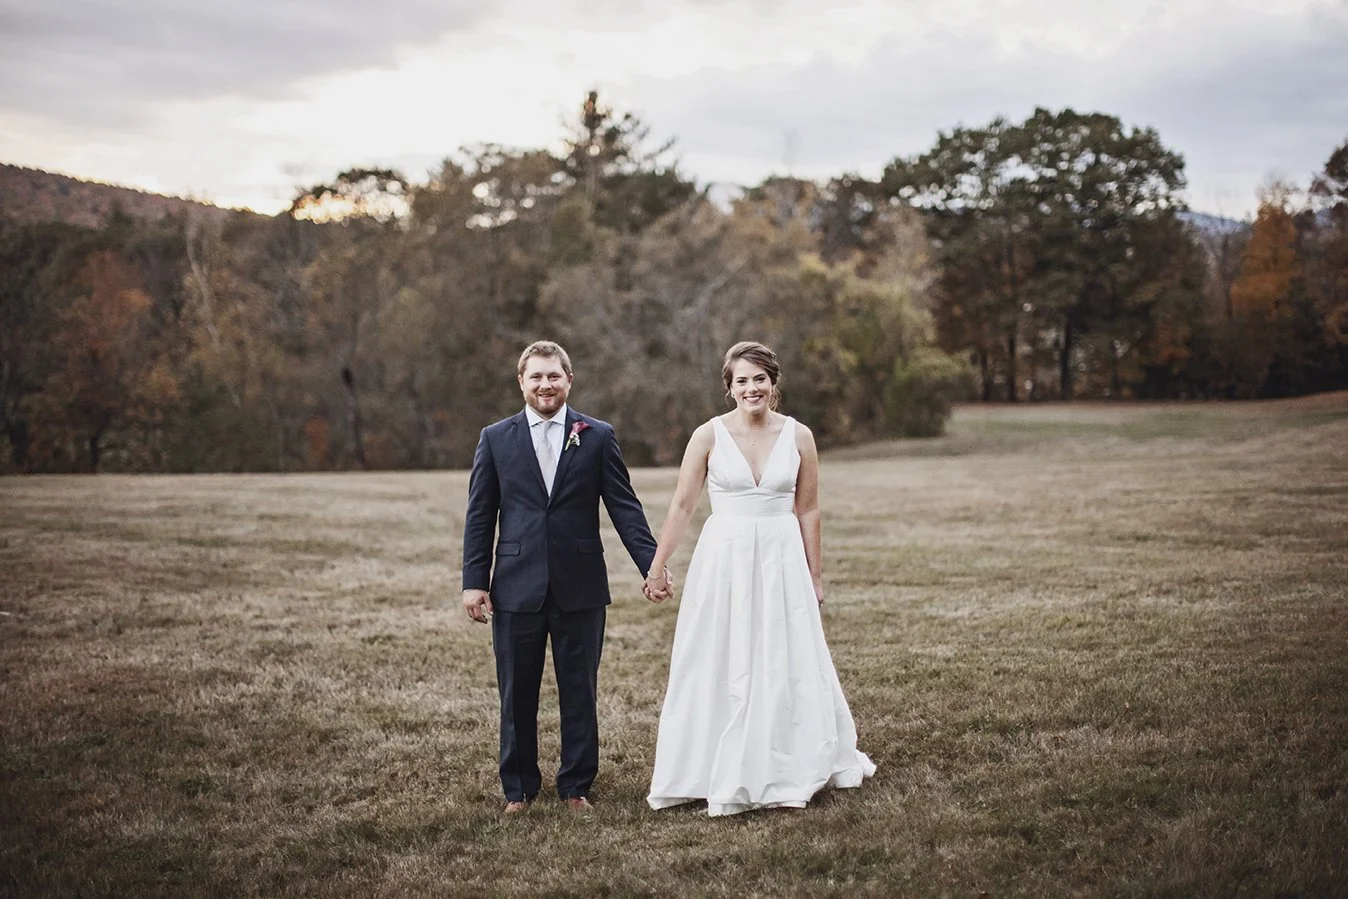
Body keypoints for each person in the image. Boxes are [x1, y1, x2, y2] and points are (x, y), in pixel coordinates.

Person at [642, 341, 875, 816]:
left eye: (759, 379)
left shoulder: (799, 436)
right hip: (723, 560)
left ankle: (785, 760)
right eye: (741, 380)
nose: (752, 388)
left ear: (773, 384)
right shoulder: (706, 436)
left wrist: (816, 576)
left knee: (781, 655)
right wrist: (657, 563)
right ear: (729, 388)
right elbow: (683, 505)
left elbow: (807, 508)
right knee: (717, 654)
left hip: (780, 558)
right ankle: (708, 766)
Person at [462, 340, 669, 814]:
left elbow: (624, 507)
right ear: (522, 382)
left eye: (553, 375)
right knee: (517, 692)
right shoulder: (495, 438)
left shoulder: (596, 435)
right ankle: (518, 790)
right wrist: (475, 579)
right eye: (535, 376)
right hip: (515, 585)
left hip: (581, 586)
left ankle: (576, 786)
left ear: (568, 380)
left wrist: (651, 566)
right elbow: (480, 514)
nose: (545, 384)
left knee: (580, 689)